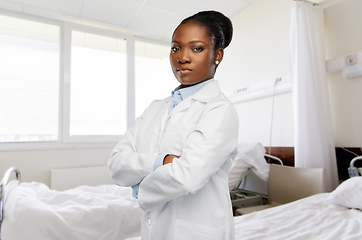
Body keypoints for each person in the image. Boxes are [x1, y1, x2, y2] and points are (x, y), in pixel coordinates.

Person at [108, 10, 239, 240]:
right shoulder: (155, 108)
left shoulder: (219, 110)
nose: (183, 57)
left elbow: (187, 176)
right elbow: (117, 162)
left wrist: (140, 187)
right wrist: (161, 161)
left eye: (196, 48)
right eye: (176, 48)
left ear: (217, 55)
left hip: (198, 229)